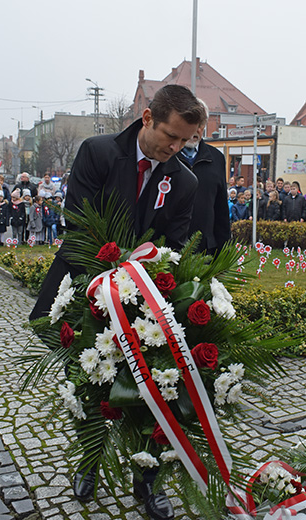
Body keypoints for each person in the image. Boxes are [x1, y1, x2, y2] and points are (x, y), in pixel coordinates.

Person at [29, 85, 205, 520]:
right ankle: (90, 459)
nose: (177, 148)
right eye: (172, 135)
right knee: (90, 384)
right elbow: (78, 223)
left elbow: (173, 246)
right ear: (147, 118)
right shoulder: (99, 153)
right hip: (86, 286)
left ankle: (147, 483)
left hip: (144, 300)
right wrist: (108, 286)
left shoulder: (184, 180)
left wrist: (152, 291)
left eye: (187, 141)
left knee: (156, 390)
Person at [177, 109, 231, 254]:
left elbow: (221, 209)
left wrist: (223, 251)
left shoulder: (217, 158)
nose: (195, 130)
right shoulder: (167, 154)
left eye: (200, 125)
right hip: (171, 247)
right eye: (191, 123)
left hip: (206, 249)